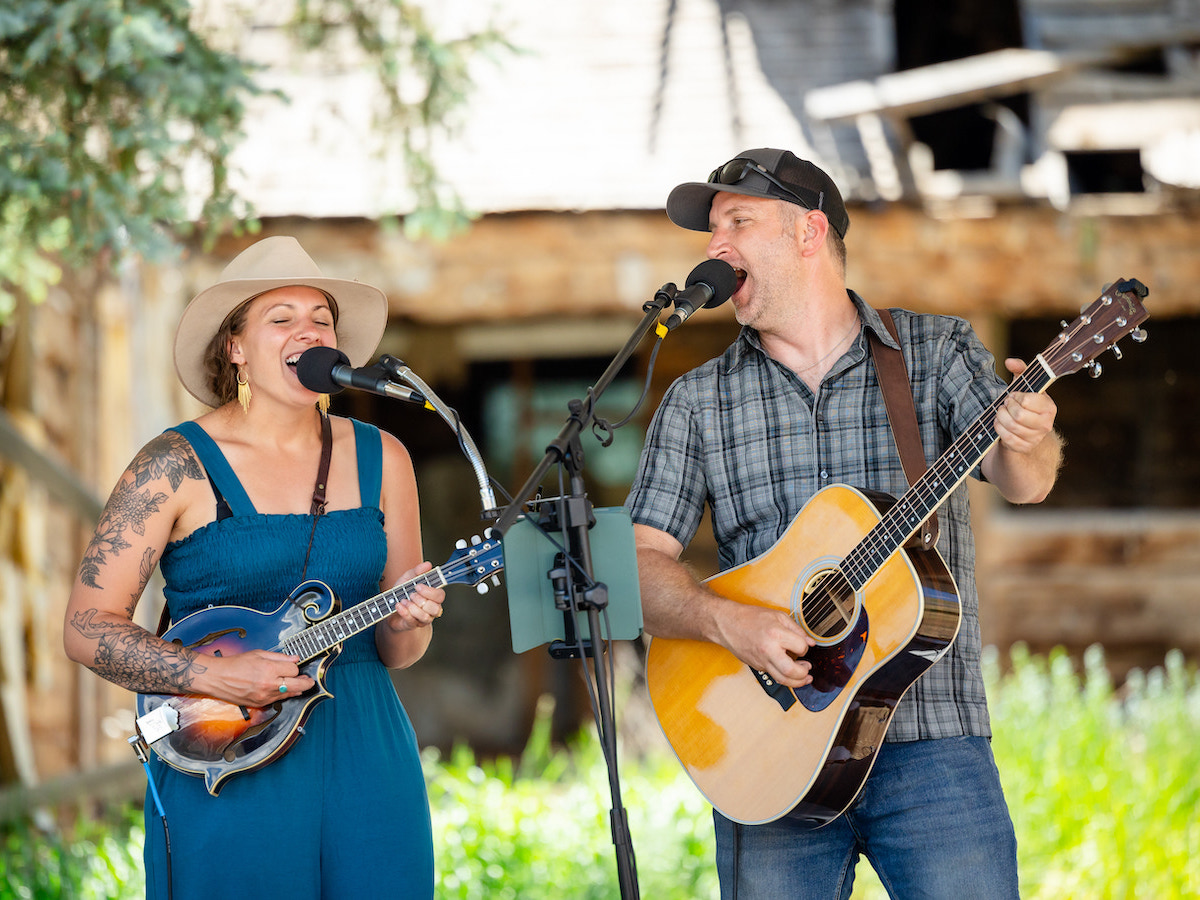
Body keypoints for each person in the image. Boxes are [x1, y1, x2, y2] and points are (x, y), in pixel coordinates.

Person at [625, 149, 1062, 899]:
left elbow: (1024, 481)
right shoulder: (698, 401)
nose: (713, 247)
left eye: (738, 221)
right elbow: (636, 565)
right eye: (710, 231)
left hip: (933, 745)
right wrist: (728, 623)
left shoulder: (934, 352)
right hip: (770, 753)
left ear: (808, 232)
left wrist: (1030, 435)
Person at [64, 235, 445, 899]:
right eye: (282, 318)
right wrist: (217, 676)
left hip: (364, 742)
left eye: (321, 318)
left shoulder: (386, 456)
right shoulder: (173, 464)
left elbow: (400, 650)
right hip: (224, 748)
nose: (309, 329)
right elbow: (86, 627)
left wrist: (413, 617)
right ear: (235, 347)